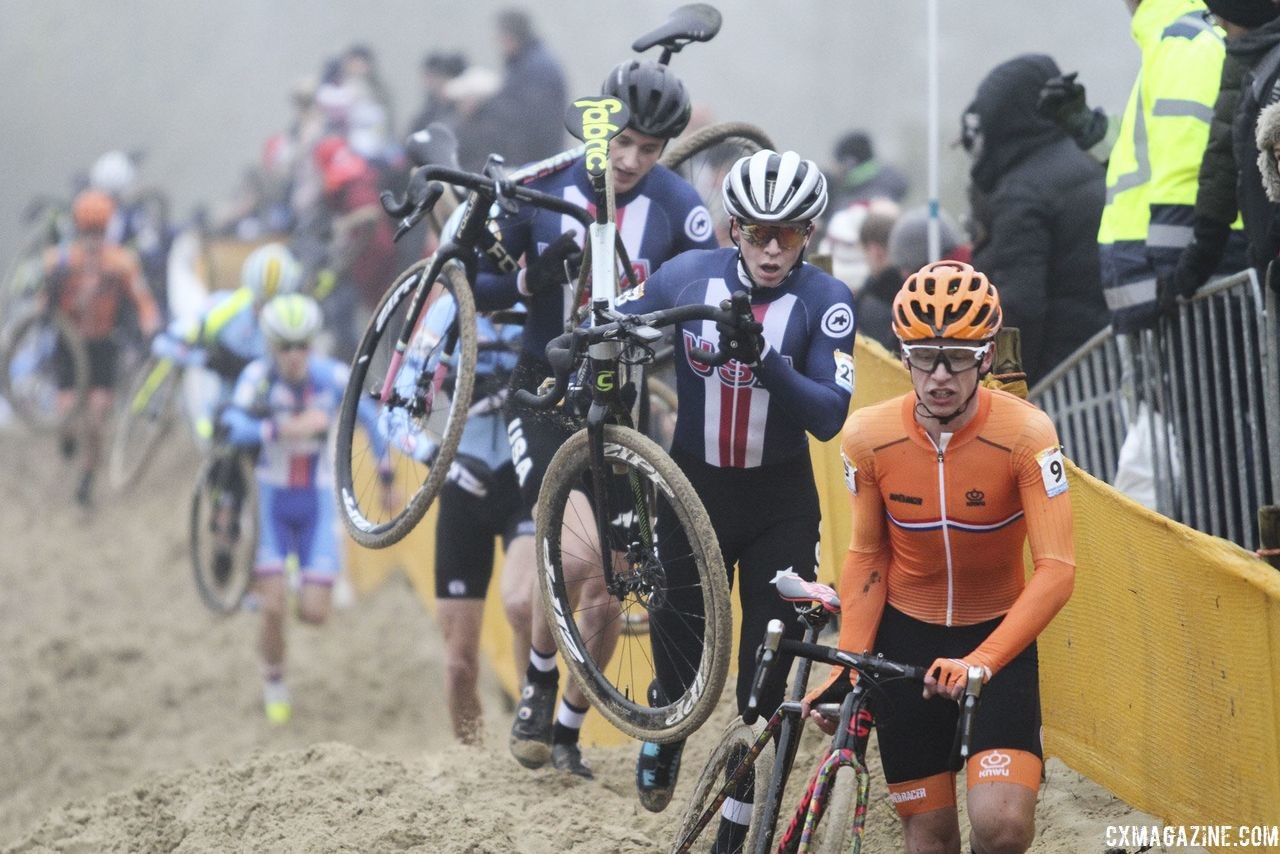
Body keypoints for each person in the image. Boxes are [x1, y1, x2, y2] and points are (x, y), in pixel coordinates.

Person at [473, 58, 717, 779]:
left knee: (612, 583)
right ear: (600, 122)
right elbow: (480, 285)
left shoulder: (676, 206)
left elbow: (706, 289)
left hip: (623, 405)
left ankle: (571, 731)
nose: (634, 161)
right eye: (625, 142)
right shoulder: (544, 184)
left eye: (652, 149)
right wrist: (526, 276)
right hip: (543, 396)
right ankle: (541, 680)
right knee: (575, 555)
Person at [611, 149, 855, 822]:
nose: (771, 249)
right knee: (683, 654)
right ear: (733, 228)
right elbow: (617, 320)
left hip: (780, 502)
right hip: (696, 492)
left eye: (789, 234)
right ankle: (670, 716)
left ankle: (739, 819)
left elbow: (829, 417)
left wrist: (765, 360)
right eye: (756, 232)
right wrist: (583, 335)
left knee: (763, 680)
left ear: (811, 234)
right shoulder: (688, 276)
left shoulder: (826, 301)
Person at [807, 260, 1075, 854]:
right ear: (903, 356)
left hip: (998, 639)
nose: (939, 375)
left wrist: (982, 660)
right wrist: (848, 662)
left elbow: (1058, 570)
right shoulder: (868, 438)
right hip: (906, 640)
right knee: (929, 835)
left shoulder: (1029, 435)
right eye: (923, 357)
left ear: (986, 356)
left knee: (1003, 828)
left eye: (958, 356)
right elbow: (868, 558)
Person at [221, 293, 386, 724]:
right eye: (284, 346)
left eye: (302, 345)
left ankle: (287, 583)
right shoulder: (257, 378)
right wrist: (279, 427)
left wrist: (385, 471)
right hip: (271, 504)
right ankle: (274, 682)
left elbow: (368, 416)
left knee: (314, 614)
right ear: (269, 346)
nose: (294, 356)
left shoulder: (330, 376)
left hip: (315, 504)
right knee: (273, 610)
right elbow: (232, 426)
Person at [961, 53, 1108, 385]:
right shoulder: (1091, 164)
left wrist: (1002, 383)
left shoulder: (1021, 193)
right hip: (1105, 360)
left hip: (1059, 375)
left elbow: (1019, 307)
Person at [43, 189, 161, 506]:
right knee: (68, 411)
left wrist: (151, 331)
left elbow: (144, 302)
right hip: (69, 347)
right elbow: (41, 309)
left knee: (96, 417)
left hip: (103, 348)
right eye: (87, 232)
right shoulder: (60, 261)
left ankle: (86, 479)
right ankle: (66, 437)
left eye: (99, 232)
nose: (93, 239)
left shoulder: (121, 262)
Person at [490, 8, 567, 165]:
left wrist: (486, 104)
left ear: (510, 36)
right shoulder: (523, 63)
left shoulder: (537, 68)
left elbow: (531, 119)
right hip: (529, 158)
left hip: (535, 161)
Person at [825, 130, 909, 214]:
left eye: (836, 163)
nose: (833, 170)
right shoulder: (887, 182)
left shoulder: (857, 203)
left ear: (849, 163)